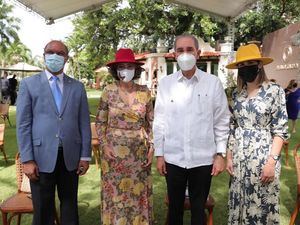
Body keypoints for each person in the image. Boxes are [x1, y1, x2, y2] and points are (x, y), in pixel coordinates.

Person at [153, 34, 230, 225]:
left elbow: (221, 121)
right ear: (174, 54)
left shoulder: (212, 83)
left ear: (198, 53)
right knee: (174, 211)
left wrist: (220, 154)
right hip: (173, 158)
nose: (185, 54)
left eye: (189, 50)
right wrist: (160, 154)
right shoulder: (165, 84)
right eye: (180, 50)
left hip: (203, 160)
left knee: (198, 212)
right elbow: (159, 121)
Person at [16, 40, 91, 225]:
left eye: (60, 53)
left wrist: (85, 156)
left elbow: (84, 123)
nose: (55, 56)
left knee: (69, 207)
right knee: (42, 210)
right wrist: (27, 159)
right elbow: (23, 124)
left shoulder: (77, 87)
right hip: (40, 158)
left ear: (66, 58)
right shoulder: (29, 85)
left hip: (70, 157)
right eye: (51, 52)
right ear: (44, 56)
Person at [225, 44, 289, 225]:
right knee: (240, 204)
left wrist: (271, 163)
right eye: (241, 65)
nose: (246, 68)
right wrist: (229, 156)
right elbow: (233, 125)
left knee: (260, 208)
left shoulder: (274, 91)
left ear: (259, 65)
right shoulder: (236, 93)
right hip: (239, 161)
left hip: (263, 161)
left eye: (251, 63)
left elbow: (280, 130)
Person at [96, 48, 154, 225]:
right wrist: (104, 145)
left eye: (129, 66)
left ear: (135, 69)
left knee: (138, 193)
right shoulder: (108, 91)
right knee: (115, 193)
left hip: (139, 154)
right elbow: (100, 122)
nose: (125, 70)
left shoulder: (145, 92)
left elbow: (152, 123)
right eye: (121, 66)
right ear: (116, 70)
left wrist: (152, 147)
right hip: (113, 155)